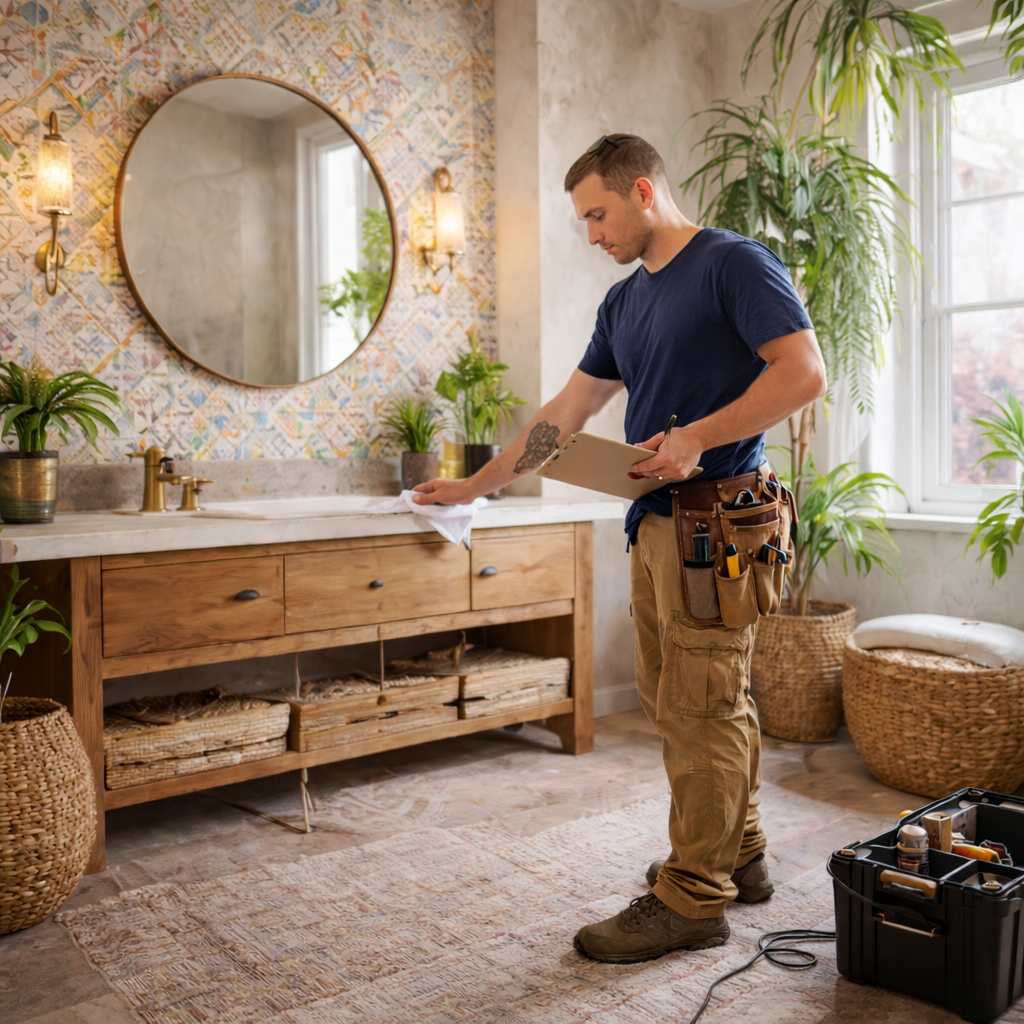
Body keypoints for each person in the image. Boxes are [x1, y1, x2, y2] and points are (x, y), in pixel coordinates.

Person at [413, 133, 826, 963]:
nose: (592, 234)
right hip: (657, 524)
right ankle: (736, 854)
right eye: (584, 221)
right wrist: (477, 485)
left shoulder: (731, 264)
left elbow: (803, 372)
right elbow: (563, 414)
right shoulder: (624, 304)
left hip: (718, 523)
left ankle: (692, 899)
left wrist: (697, 438)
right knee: (687, 700)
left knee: (702, 707)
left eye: (598, 214)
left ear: (643, 191)